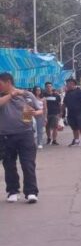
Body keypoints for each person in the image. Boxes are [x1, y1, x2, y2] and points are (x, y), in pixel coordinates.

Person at [0, 72, 42, 203]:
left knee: (28, 163)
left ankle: (31, 192)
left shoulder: (27, 95)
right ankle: (13, 191)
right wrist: (11, 95)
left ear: (8, 82)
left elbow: (40, 110)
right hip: (5, 135)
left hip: (26, 133)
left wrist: (36, 112)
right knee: (9, 164)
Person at [62, 78, 81, 147]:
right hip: (71, 112)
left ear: (72, 84)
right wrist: (60, 112)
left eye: (67, 84)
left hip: (80, 112)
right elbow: (65, 103)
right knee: (74, 127)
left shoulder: (80, 91)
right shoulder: (67, 93)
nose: (66, 85)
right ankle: (76, 140)